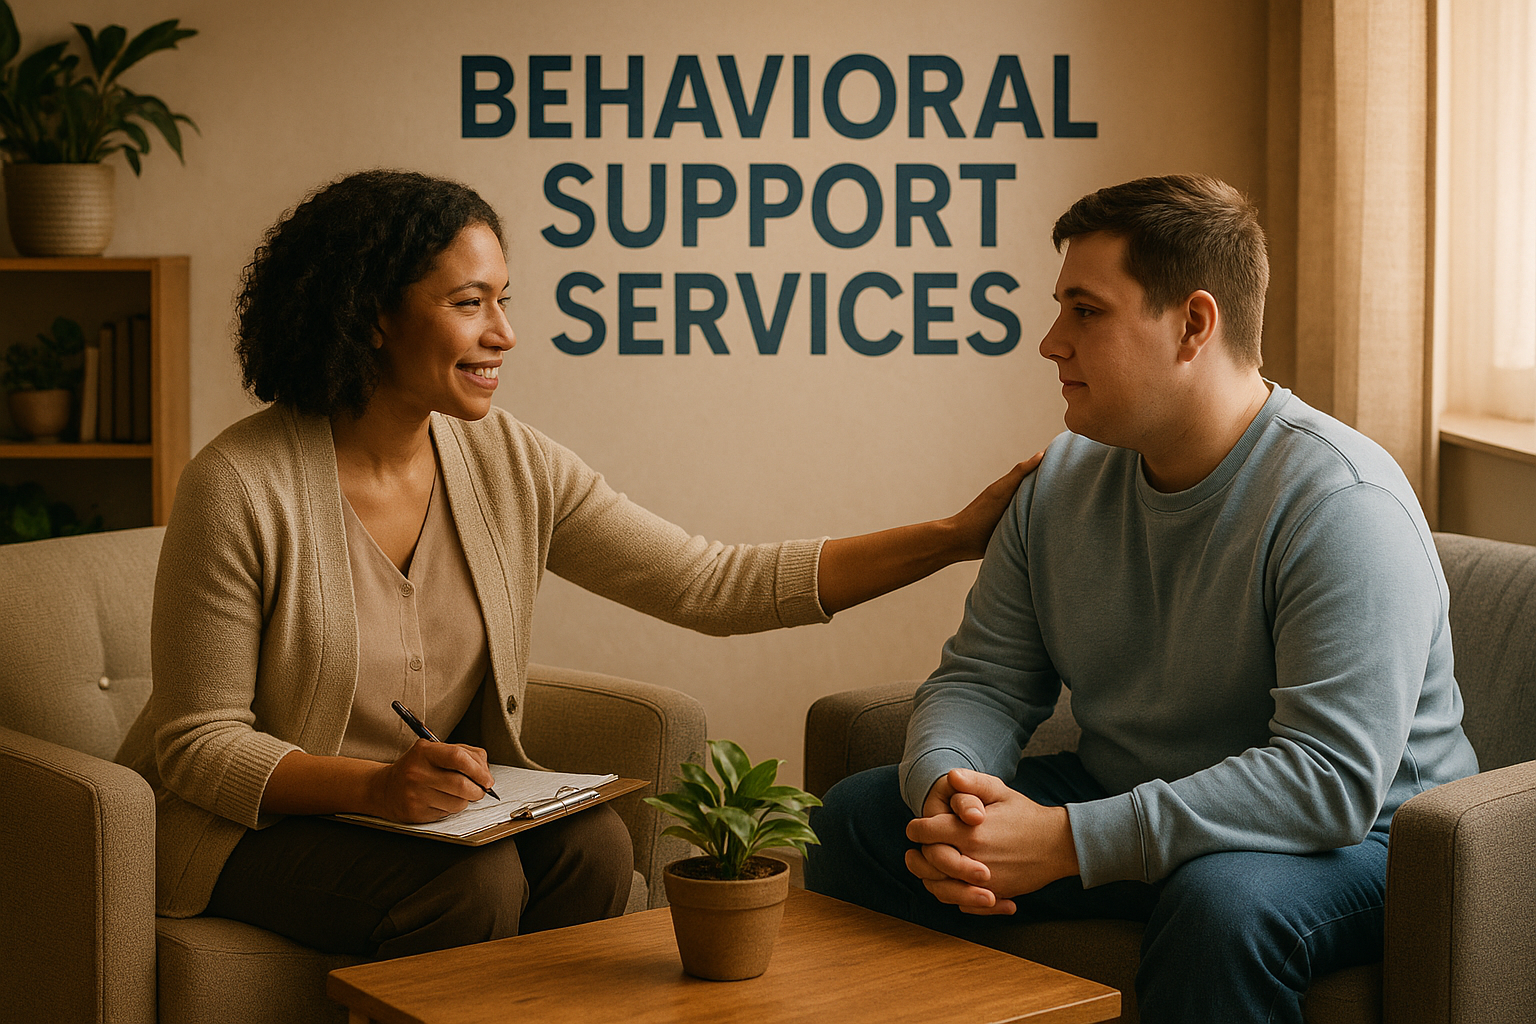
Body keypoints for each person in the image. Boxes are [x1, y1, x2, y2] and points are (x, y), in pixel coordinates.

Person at [115, 168, 1038, 960]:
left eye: (503, 299)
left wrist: (952, 537)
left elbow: (709, 581)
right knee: (468, 893)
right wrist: (375, 788)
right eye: (468, 303)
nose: (504, 333)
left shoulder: (506, 462)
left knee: (598, 847)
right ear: (374, 319)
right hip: (255, 827)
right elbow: (198, 745)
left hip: (429, 810)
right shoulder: (239, 484)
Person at [805, 174, 1479, 1022]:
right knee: (856, 820)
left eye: (1085, 311)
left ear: (1193, 324)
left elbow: (1328, 779)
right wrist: (953, 788)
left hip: (1363, 838)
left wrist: (1066, 842)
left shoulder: (1342, 503)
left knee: (1223, 905)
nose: (1051, 342)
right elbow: (984, 679)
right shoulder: (1060, 483)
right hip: (1140, 791)